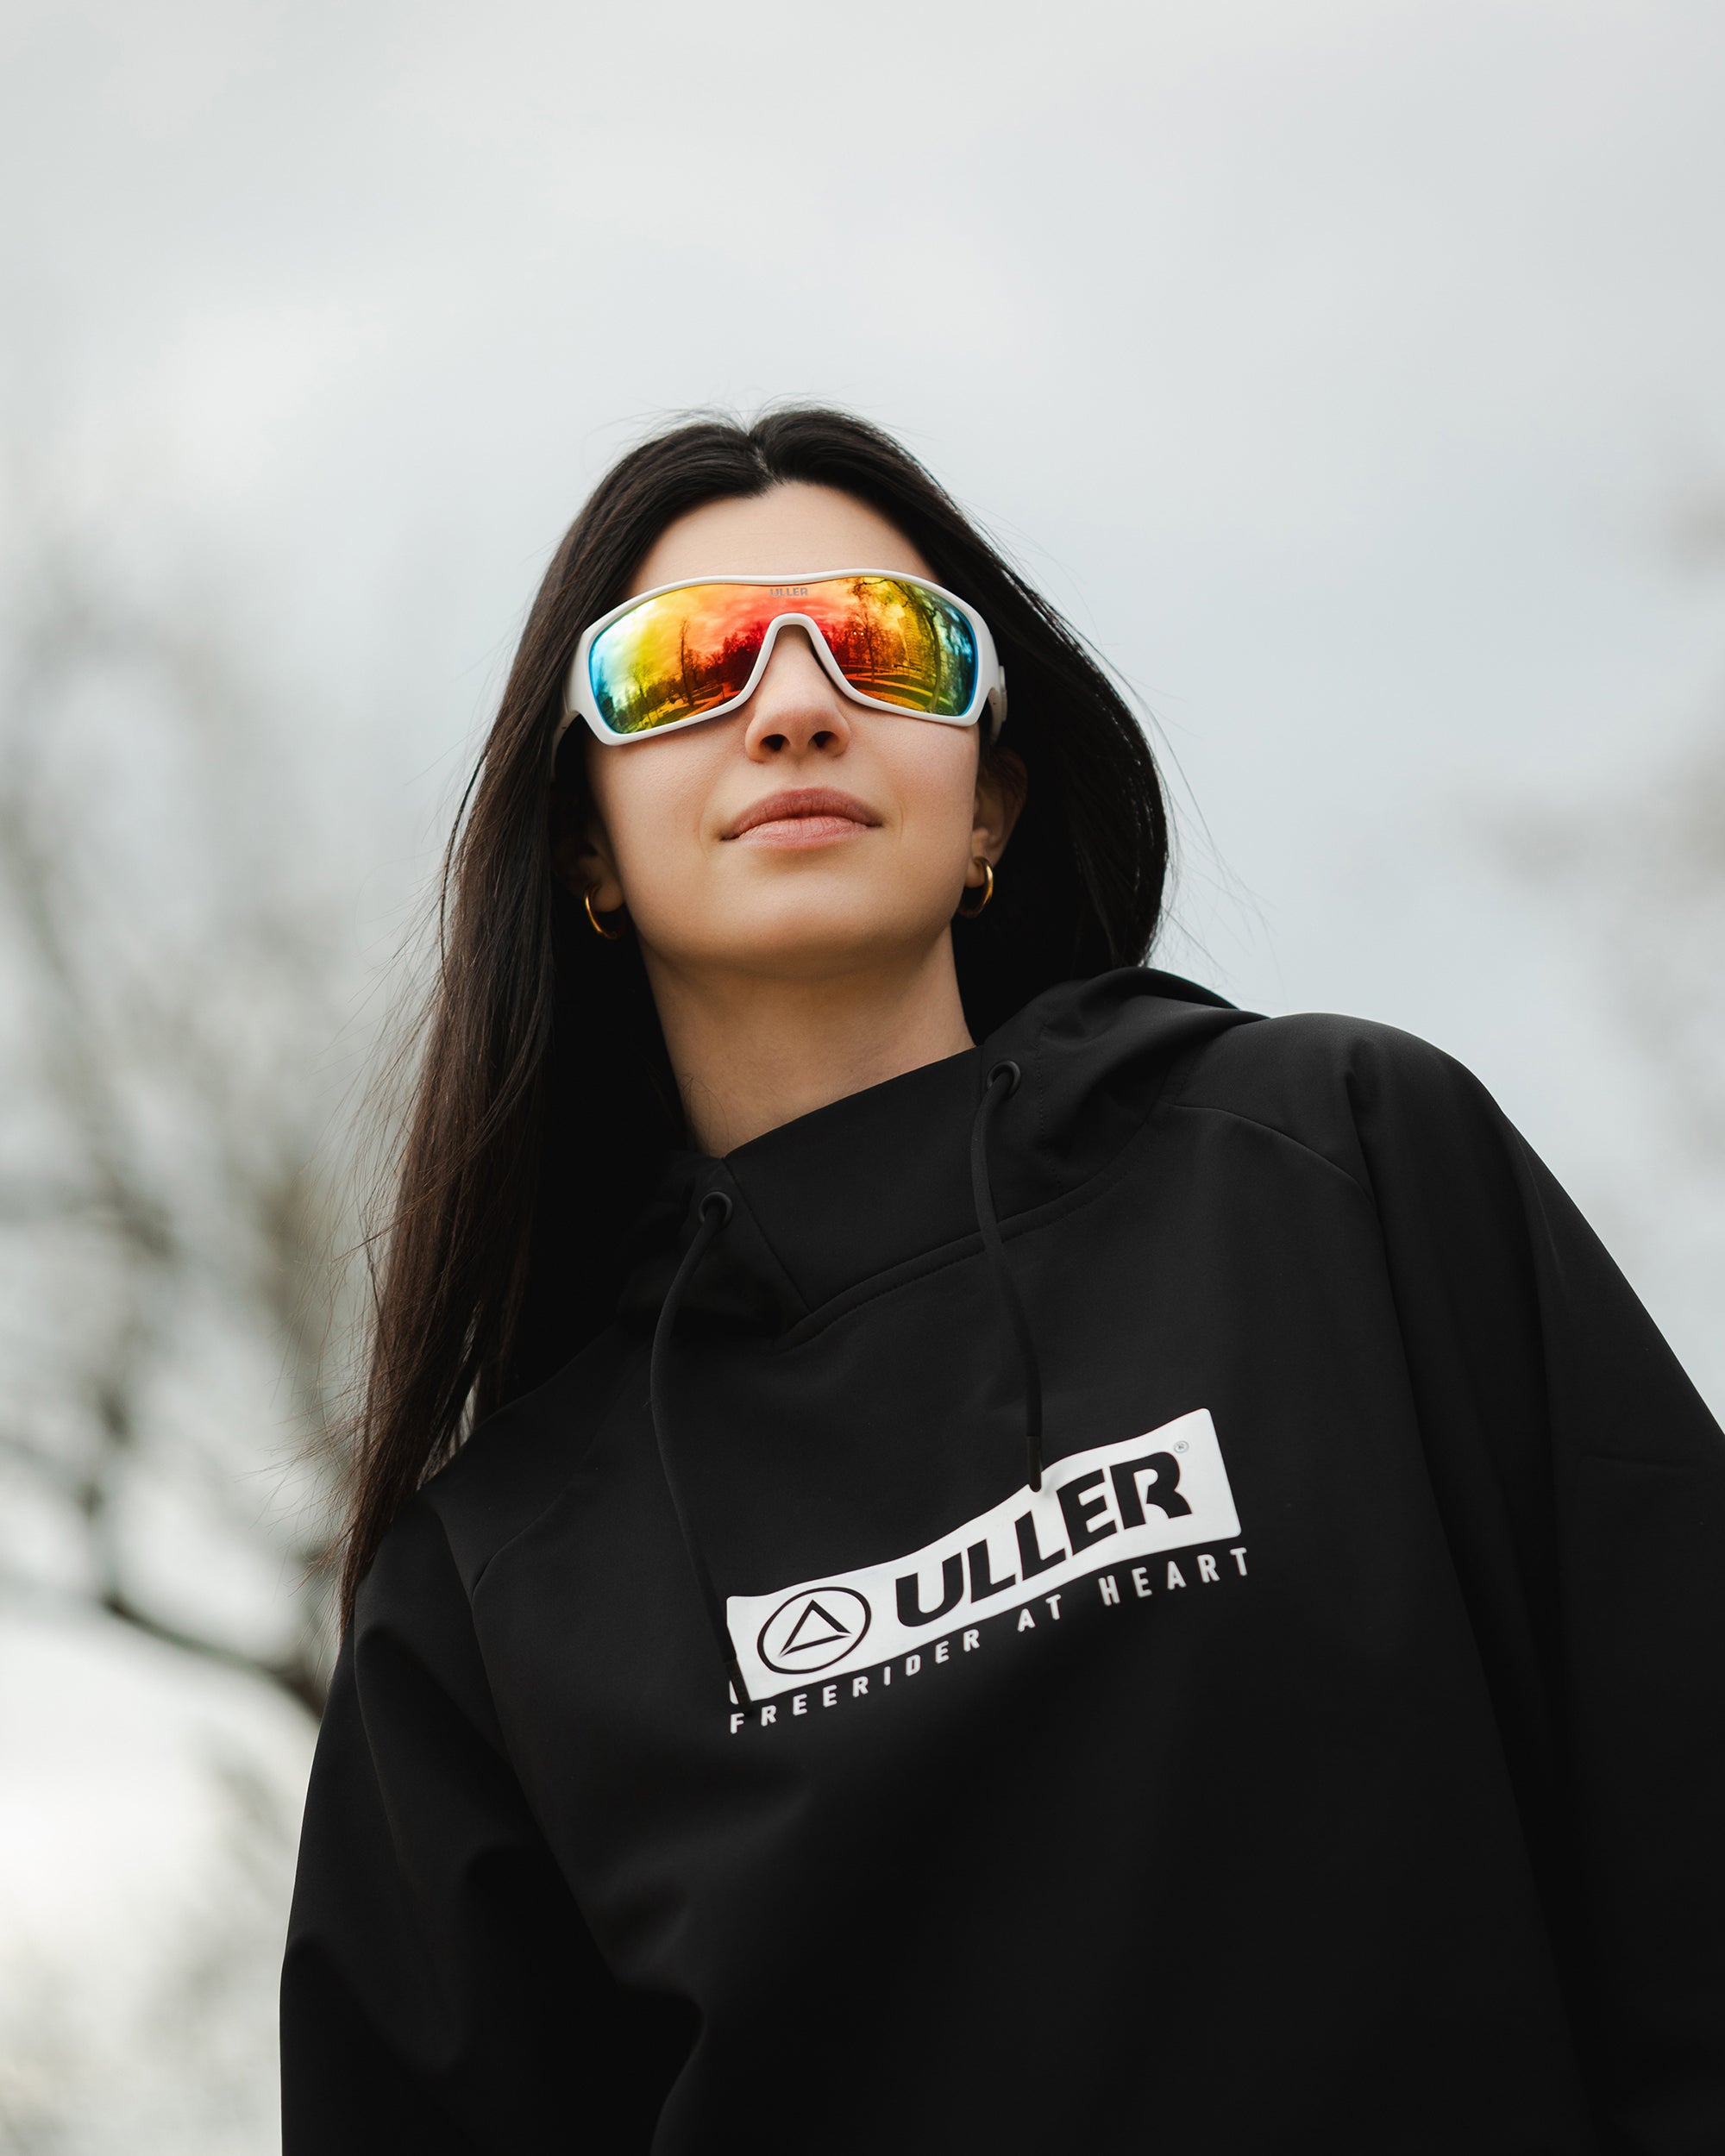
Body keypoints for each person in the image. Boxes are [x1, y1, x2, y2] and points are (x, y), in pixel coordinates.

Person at [279, 408, 1725, 2153]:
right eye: (688, 664)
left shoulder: (1339, 1163)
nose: (796, 705)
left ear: (991, 805)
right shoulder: (487, 1590)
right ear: (585, 843)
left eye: (885, 644)